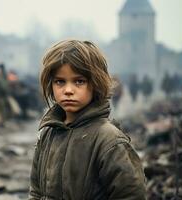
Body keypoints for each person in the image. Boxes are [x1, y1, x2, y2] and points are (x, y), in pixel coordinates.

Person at [29, 39, 146, 200]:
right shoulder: (48, 134)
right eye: (60, 82)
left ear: (96, 83)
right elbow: (36, 192)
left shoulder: (110, 141)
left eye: (79, 81)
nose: (68, 90)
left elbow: (130, 195)